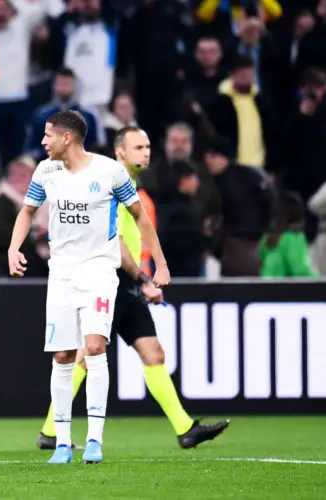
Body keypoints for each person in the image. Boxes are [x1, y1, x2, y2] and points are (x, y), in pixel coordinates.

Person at [35, 127, 230, 453]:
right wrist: (143, 278)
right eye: (138, 147)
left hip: (126, 283)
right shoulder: (108, 183)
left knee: (152, 353)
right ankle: (51, 430)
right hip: (108, 279)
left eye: (148, 145)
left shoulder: (129, 185)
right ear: (120, 152)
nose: (146, 152)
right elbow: (116, 239)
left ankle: (185, 429)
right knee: (84, 356)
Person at [7, 112, 171, 466]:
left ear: (67, 138)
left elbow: (140, 215)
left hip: (99, 271)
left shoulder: (109, 171)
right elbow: (27, 211)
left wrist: (160, 263)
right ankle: (63, 443)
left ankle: (95, 439)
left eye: (48, 135)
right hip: (62, 274)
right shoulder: (45, 172)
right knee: (63, 355)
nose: (43, 142)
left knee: (95, 347)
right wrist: (13, 248)